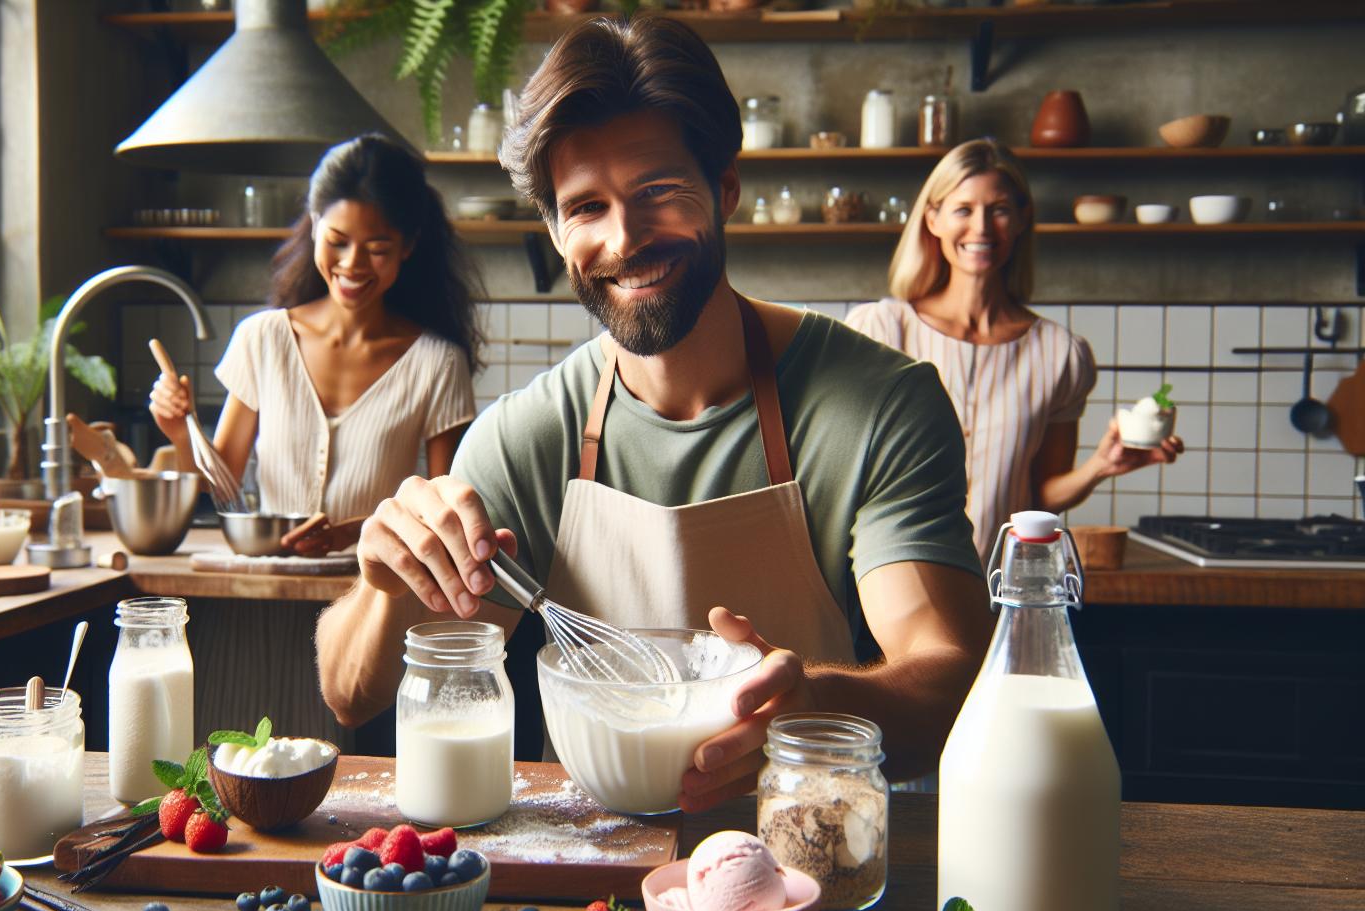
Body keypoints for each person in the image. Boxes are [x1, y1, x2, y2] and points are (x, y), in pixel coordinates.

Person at [313, 16, 994, 811]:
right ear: (556, 228)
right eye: (586, 207)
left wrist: (812, 703)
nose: (624, 238)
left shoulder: (879, 405)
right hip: (587, 882)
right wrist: (382, 580)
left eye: (659, 192)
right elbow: (351, 695)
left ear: (726, 188)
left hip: (805, 859)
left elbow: (949, 677)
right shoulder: (526, 436)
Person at [846, 139, 1184, 562]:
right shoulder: (879, 333)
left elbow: (1040, 497)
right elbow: (846, 477)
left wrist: (1101, 465)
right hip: (886, 597)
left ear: (1023, 218)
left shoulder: (1059, 355)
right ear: (932, 219)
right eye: (963, 209)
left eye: (1000, 209)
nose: (982, 228)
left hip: (1001, 589)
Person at [150, 135, 483, 554]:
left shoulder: (438, 364)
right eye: (337, 241)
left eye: (377, 248)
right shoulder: (263, 339)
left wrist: (349, 534)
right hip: (264, 595)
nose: (352, 264)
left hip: (369, 602)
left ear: (408, 246)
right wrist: (182, 434)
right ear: (314, 223)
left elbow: (441, 514)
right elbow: (221, 488)